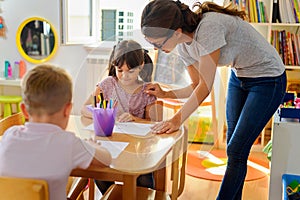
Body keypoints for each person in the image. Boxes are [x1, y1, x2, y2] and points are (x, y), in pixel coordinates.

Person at [141, 0, 286, 199]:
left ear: (176, 31)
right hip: (240, 76)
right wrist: (165, 93)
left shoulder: (208, 27)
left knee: (236, 151)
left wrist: (175, 120)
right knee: (235, 150)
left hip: (269, 79)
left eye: (158, 43)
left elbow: (205, 88)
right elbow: (195, 85)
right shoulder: (183, 47)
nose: (156, 49)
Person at [0, 64, 112, 200]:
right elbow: (106, 159)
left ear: (24, 110)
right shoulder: (68, 142)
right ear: (67, 109)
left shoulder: (9, 135)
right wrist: (94, 146)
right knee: (113, 191)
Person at [81, 40, 161, 194]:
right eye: (120, 70)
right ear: (114, 66)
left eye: (130, 71)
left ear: (141, 66)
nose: (124, 76)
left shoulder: (147, 91)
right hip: (111, 145)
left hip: (137, 149)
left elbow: (153, 124)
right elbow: (84, 108)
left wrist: (135, 119)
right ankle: (111, 195)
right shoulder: (107, 84)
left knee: (144, 180)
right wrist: (102, 113)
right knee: (101, 173)